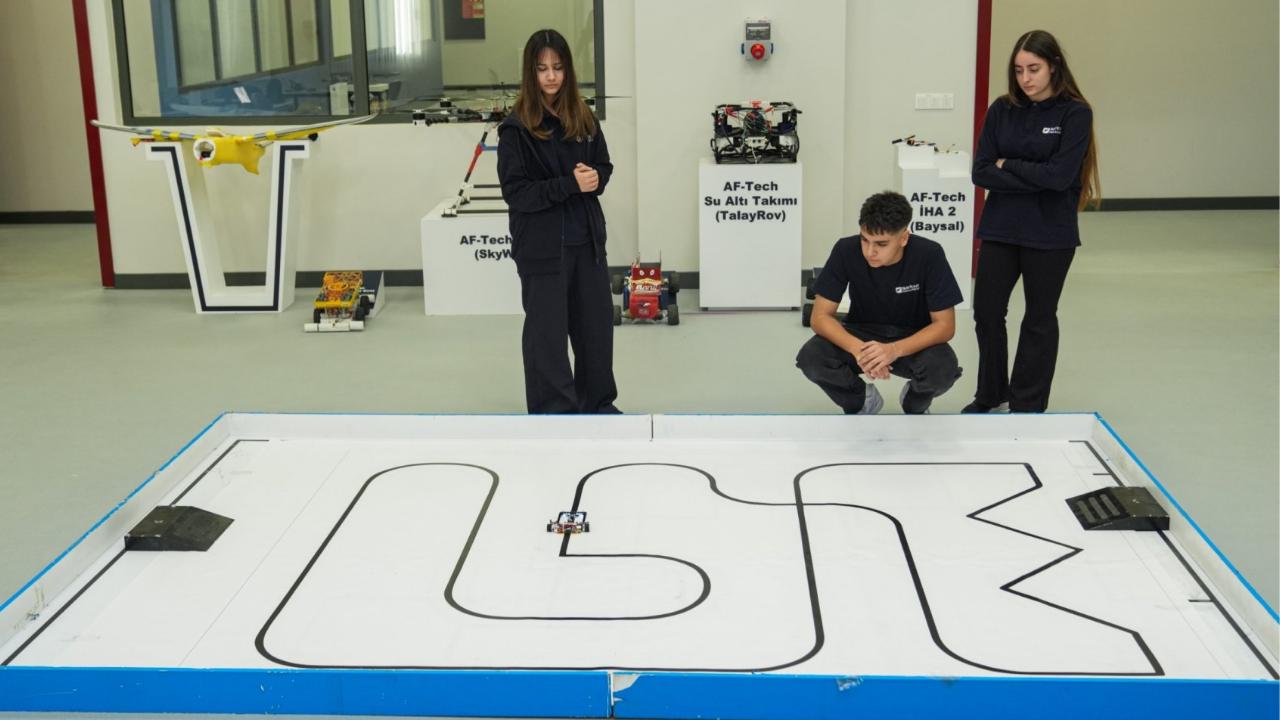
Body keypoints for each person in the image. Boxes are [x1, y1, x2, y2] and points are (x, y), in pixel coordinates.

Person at [964, 30, 1100, 414]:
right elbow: (981, 172)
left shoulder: (1075, 114)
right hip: (1000, 228)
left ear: (1054, 66)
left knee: (1039, 318)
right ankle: (991, 394)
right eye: (1019, 70)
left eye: (1034, 69)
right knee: (987, 313)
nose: (1025, 78)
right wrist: (1037, 174)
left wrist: (1009, 165)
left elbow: (1060, 177)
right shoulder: (1002, 109)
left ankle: (1027, 405)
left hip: (1050, 233)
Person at [497, 29, 619, 414]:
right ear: (530, 73)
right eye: (542, 68)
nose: (551, 76)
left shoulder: (583, 118)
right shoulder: (516, 130)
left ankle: (597, 405)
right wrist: (570, 184)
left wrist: (597, 178)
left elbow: (603, 165)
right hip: (542, 249)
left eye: (558, 67)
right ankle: (555, 413)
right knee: (547, 337)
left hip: (587, 244)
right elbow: (516, 192)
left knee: (595, 331)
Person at [796, 191, 963, 414]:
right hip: (861, 334)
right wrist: (859, 350)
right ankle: (861, 400)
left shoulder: (930, 254)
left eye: (881, 244)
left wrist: (894, 350)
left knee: (943, 370)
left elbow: (945, 326)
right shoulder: (845, 250)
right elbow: (819, 317)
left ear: (904, 238)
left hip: (913, 336)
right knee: (811, 357)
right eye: (864, 239)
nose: (870, 252)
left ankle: (914, 402)